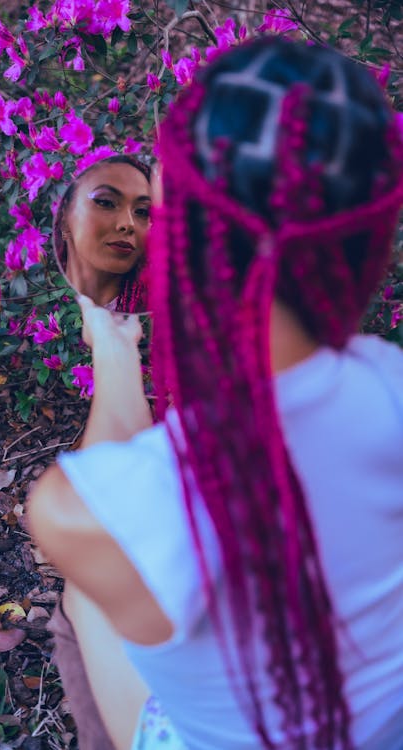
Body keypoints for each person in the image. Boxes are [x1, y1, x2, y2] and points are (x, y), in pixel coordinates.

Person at [29, 37, 403, 750]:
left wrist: (111, 340)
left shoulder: (75, 515)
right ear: (373, 241)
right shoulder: (391, 392)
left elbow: (121, 499)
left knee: (83, 603)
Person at [52, 155, 151, 313]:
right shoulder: (45, 298)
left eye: (142, 211)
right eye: (105, 202)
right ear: (65, 218)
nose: (128, 224)